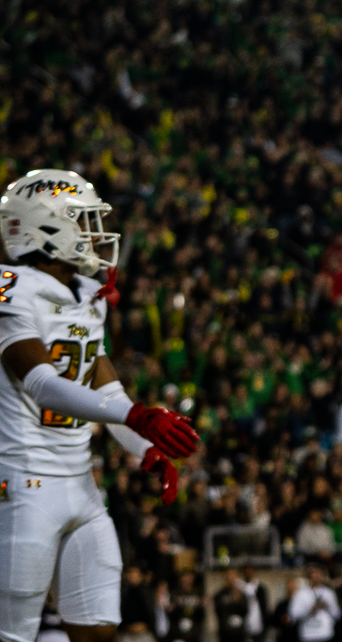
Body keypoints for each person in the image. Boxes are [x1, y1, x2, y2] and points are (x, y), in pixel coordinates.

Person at [0, 169, 199, 642]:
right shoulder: (9, 286)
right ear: (45, 228)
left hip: (81, 484)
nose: (92, 233)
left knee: (98, 629)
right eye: (81, 221)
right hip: (22, 482)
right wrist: (135, 418)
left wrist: (144, 448)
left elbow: (109, 394)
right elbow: (41, 382)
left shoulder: (89, 295)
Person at [287, 566, 341, 642]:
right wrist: (309, 610)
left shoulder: (329, 593)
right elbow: (293, 615)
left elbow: (337, 615)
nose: (316, 577)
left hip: (325, 634)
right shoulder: (301, 594)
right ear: (309, 577)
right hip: (308, 635)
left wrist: (328, 605)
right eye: (313, 574)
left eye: (318, 574)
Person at [215, 569, 252, 642]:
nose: (231, 578)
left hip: (239, 632)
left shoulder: (241, 594)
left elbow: (246, 611)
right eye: (229, 575)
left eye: (233, 575)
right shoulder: (220, 594)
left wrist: (238, 600)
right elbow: (219, 612)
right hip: (226, 632)